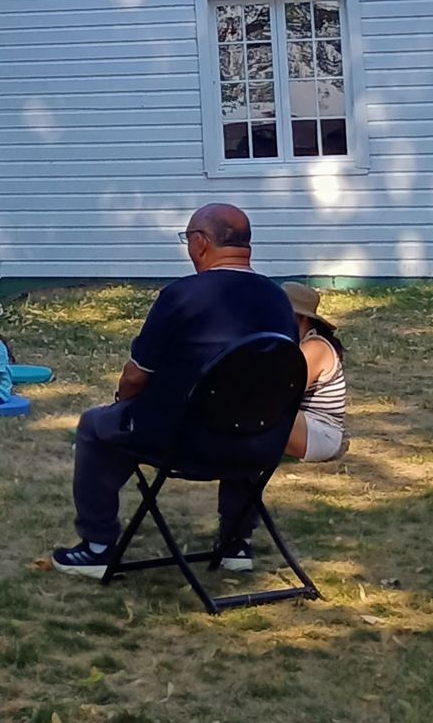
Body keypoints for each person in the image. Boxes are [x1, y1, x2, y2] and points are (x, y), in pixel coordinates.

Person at [52, 203, 299, 577]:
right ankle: (236, 542)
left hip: (184, 444)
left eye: (188, 239)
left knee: (95, 426)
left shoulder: (181, 296)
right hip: (260, 442)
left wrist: (122, 403)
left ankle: (97, 546)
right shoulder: (279, 300)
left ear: (200, 243)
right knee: (242, 409)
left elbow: (136, 376)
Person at [281, 283, 350, 465]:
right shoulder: (297, 345)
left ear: (301, 319)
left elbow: (281, 391)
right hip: (305, 426)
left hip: (320, 434)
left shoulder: (315, 347)